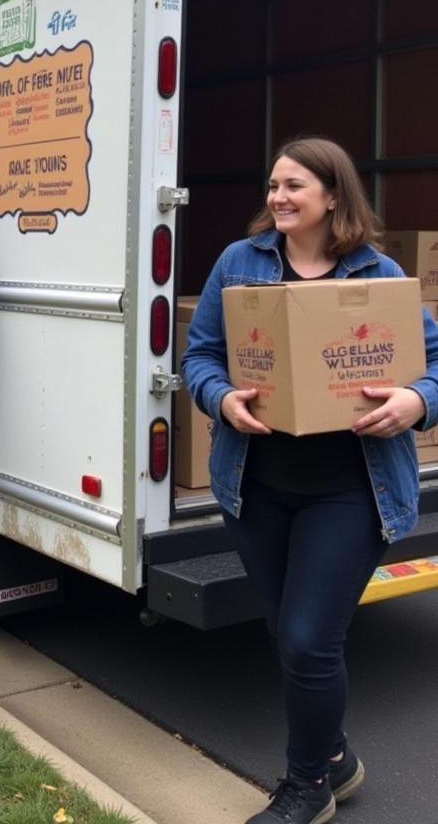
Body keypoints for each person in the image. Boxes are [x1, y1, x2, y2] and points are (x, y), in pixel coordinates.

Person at [182, 137, 438, 824]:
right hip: (254, 488)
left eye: (293, 185)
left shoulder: (377, 274)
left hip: (350, 492)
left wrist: (416, 402)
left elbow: (434, 365)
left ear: (332, 195)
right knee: (287, 634)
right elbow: (201, 355)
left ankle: (307, 788)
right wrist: (220, 398)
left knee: (307, 640)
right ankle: (335, 759)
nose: (277, 197)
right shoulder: (240, 264)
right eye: (272, 185)